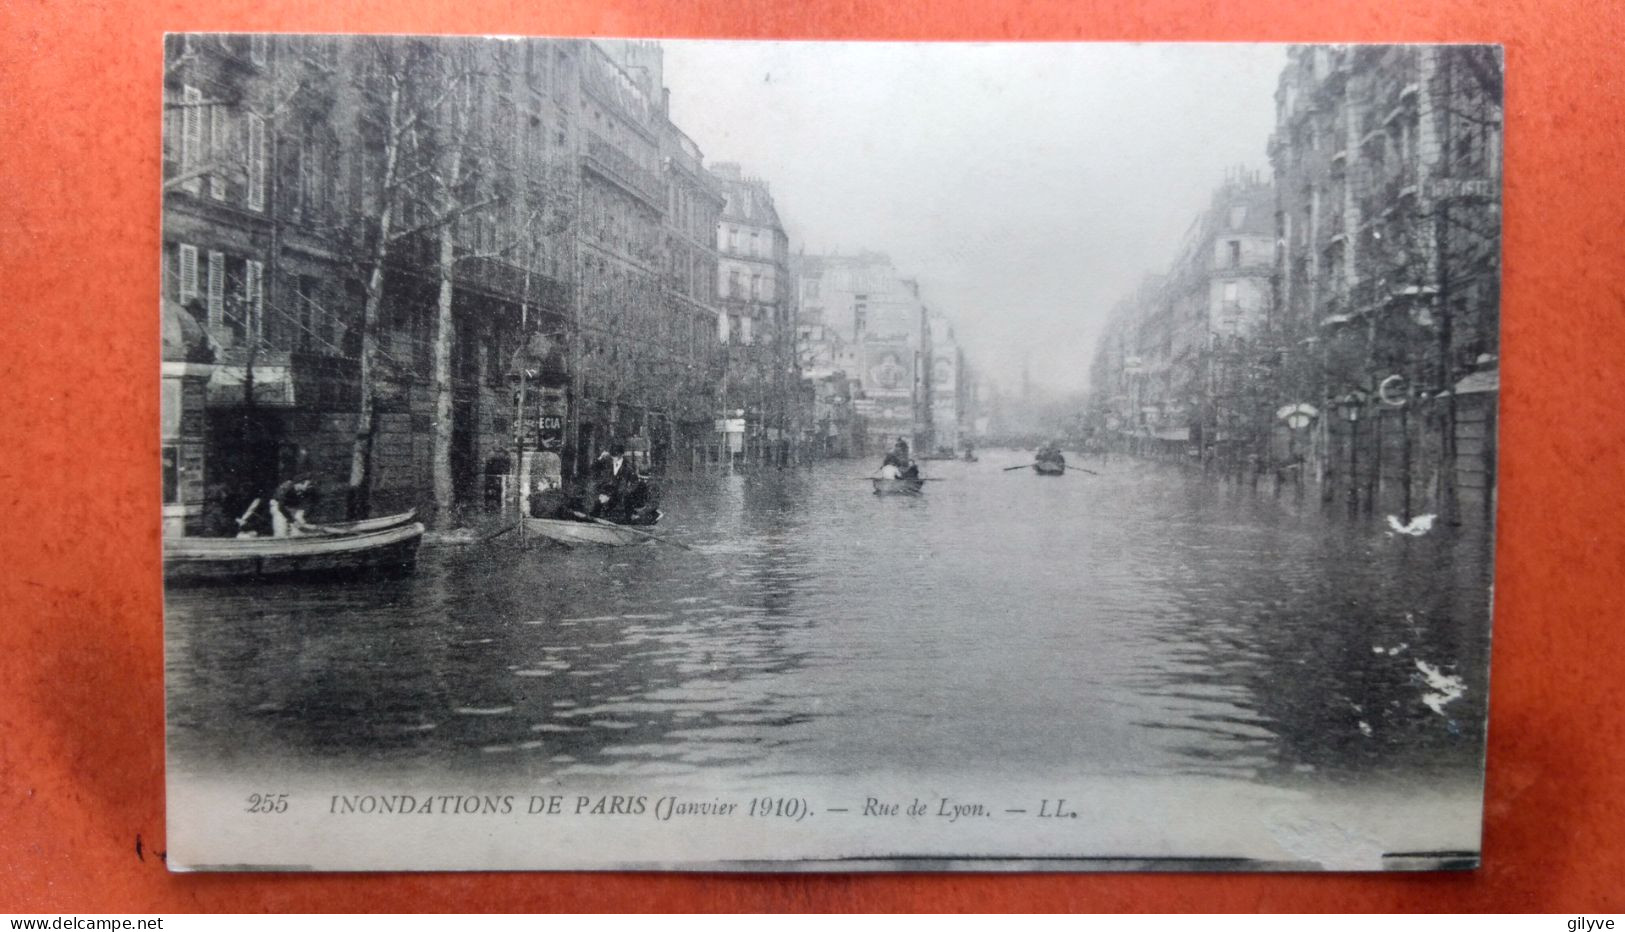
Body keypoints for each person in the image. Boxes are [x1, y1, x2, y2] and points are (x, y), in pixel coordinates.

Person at [589, 441, 656, 523]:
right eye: (612, 456)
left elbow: (634, 484)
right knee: (598, 504)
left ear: (621, 455)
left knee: (621, 510)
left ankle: (628, 519)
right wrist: (600, 458)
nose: (614, 458)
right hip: (607, 492)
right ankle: (593, 520)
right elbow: (592, 469)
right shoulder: (607, 462)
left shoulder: (628, 467)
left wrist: (620, 494)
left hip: (620, 495)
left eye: (616, 456)